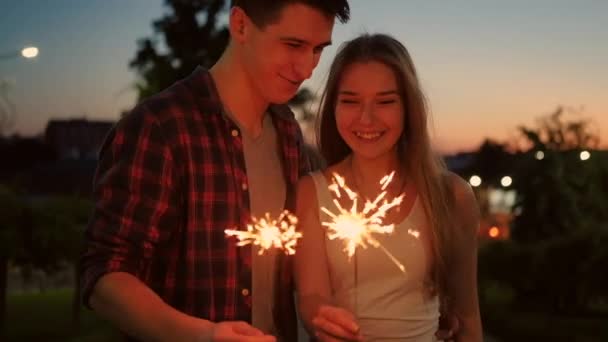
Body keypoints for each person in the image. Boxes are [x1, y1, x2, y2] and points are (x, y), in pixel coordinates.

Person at [79, 1, 350, 341]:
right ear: (240, 25)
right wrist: (202, 335)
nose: (307, 68)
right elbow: (105, 275)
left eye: (317, 50)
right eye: (293, 45)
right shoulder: (161, 127)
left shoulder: (288, 133)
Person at [294, 33, 482, 341]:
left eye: (385, 101)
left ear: (408, 107)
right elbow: (311, 296)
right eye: (351, 101)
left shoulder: (452, 195)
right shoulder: (312, 193)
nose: (366, 119)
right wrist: (323, 318)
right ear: (333, 107)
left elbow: (468, 314)